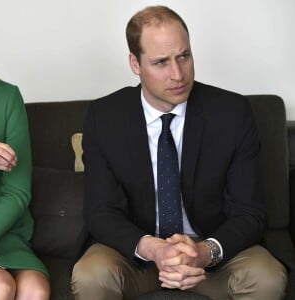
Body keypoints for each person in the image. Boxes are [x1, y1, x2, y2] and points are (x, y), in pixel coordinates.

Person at [72, 6, 288, 300]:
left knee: (266, 277)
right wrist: (153, 248)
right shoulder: (104, 117)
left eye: (183, 56)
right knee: (90, 275)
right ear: (135, 63)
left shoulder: (232, 113)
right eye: (161, 62)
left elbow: (249, 212)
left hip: (211, 255)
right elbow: (100, 211)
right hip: (138, 254)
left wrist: (203, 252)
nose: (178, 74)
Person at [0, 79, 50, 299]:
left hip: (5, 232)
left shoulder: (7, 96)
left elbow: (18, 192)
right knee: (0, 287)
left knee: (36, 291)